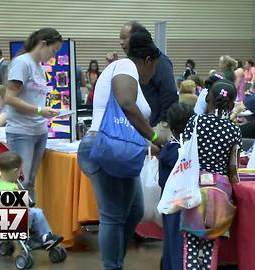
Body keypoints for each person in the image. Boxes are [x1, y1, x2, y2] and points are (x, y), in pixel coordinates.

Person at [78, 26, 164, 270]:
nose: (153, 73)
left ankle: (115, 260)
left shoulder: (122, 69)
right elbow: (125, 103)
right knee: (113, 216)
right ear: (147, 60)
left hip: (115, 150)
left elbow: (127, 118)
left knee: (135, 210)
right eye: (154, 66)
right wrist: (155, 136)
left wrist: (148, 142)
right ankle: (112, 265)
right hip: (105, 148)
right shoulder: (127, 67)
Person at [181, 79, 241, 269]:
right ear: (231, 104)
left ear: (207, 98)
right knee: (211, 244)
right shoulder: (234, 130)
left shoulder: (195, 122)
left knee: (190, 244)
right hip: (219, 191)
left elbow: (184, 153)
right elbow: (233, 167)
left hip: (194, 187)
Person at [4, 28, 62, 199]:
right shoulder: (22, 63)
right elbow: (9, 97)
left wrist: (45, 112)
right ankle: (12, 225)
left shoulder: (39, 68)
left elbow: (35, 100)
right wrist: (39, 110)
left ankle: (28, 223)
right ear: (44, 44)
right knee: (18, 182)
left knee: (29, 182)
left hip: (39, 131)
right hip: (22, 132)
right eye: (54, 50)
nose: (53, 55)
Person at [119, 21, 179, 142]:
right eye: (120, 38)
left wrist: (164, 123)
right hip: (139, 126)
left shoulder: (159, 61)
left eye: (125, 38)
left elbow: (169, 92)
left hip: (155, 126)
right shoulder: (126, 64)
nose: (121, 42)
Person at [0, 151, 63, 249]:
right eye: (19, 171)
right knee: (36, 213)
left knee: (36, 212)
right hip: (9, 219)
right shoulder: (5, 188)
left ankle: (45, 237)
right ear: (14, 171)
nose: (20, 174)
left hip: (12, 216)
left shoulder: (0, 181)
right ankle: (38, 238)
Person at [159, 103, 195, 270]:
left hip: (170, 205)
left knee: (171, 244)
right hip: (185, 204)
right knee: (182, 248)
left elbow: (161, 181)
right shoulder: (190, 152)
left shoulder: (168, 151)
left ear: (171, 128)